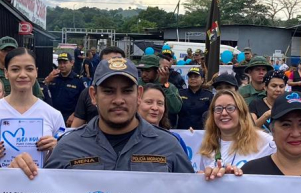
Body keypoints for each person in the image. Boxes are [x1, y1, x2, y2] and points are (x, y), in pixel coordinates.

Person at [45, 58, 194, 172]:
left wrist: (211, 181)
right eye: (108, 91)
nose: (118, 100)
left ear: (139, 95)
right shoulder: (67, 147)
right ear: (93, 95)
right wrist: (23, 175)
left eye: (127, 91)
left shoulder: (168, 146)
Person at [0, 48, 63, 164]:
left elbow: (64, 163)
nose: (22, 75)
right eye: (15, 69)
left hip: (40, 181)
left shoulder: (54, 115)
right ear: (6, 73)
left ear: (36, 72)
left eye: (29, 69)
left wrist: (57, 148)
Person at [192, 90, 274, 172]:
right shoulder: (207, 146)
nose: (224, 113)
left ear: (241, 112)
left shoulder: (265, 141)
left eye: (230, 108)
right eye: (218, 109)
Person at [72, 46, 125, 128]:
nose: (113, 66)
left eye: (117, 62)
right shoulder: (87, 93)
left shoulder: (134, 93)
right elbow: (75, 127)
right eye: (107, 63)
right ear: (93, 95)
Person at [44, 52, 84, 125]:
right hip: (52, 117)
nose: (62, 65)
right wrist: (47, 81)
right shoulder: (53, 77)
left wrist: (75, 114)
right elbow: (42, 95)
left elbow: (83, 102)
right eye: (60, 63)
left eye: (65, 63)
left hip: (69, 119)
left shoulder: (78, 81)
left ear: (72, 63)